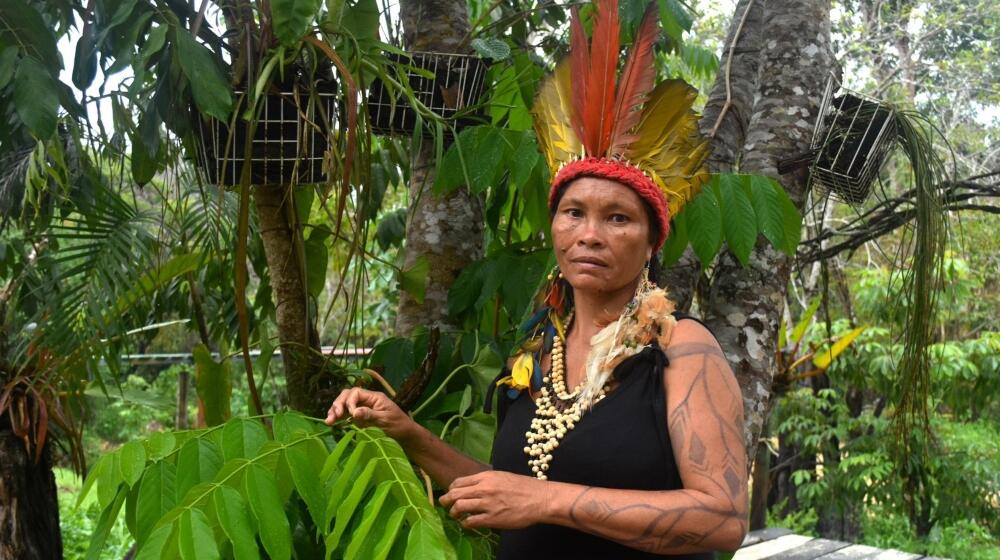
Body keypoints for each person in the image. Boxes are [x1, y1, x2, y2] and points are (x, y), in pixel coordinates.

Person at [326, 0, 748, 557]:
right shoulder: (537, 348)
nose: (589, 234)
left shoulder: (681, 350)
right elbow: (505, 492)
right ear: (554, 223)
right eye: (573, 212)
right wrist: (408, 433)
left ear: (652, 241)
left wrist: (545, 501)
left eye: (617, 218)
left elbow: (721, 517)